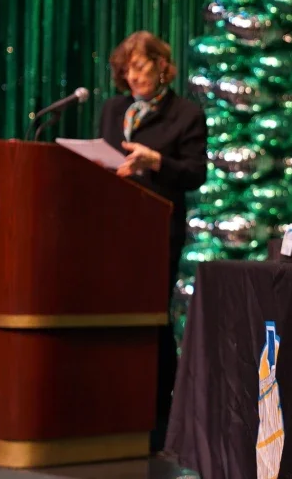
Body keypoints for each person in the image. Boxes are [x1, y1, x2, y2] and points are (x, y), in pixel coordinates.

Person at [99, 30, 208, 450]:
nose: (133, 77)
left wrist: (155, 161)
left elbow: (196, 172)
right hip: (112, 227)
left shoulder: (186, 114)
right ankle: (114, 403)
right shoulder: (113, 110)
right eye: (126, 70)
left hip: (157, 227)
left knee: (151, 314)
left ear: (162, 67)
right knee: (112, 313)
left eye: (141, 67)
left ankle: (161, 415)